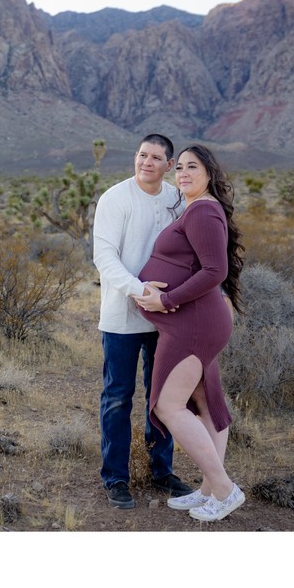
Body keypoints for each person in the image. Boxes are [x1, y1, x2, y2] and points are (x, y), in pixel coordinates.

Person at [133, 144, 245, 522]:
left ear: (209, 172)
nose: (182, 173)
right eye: (178, 167)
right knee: (203, 402)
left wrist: (167, 300)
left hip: (193, 322)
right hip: (195, 319)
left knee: (168, 405)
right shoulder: (197, 208)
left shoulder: (203, 210)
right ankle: (210, 489)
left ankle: (225, 489)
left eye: (191, 167)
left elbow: (214, 271)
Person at [92, 134, 193, 509]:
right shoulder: (115, 199)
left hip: (167, 315)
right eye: (141, 155)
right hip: (122, 316)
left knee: (162, 397)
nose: (145, 162)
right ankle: (116, 477)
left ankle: (161, 471)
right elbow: (104, 257)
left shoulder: (176, 200)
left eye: (155, 158)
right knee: (118, 396)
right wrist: (140, 290)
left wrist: (171, 297)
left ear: (169, 165)